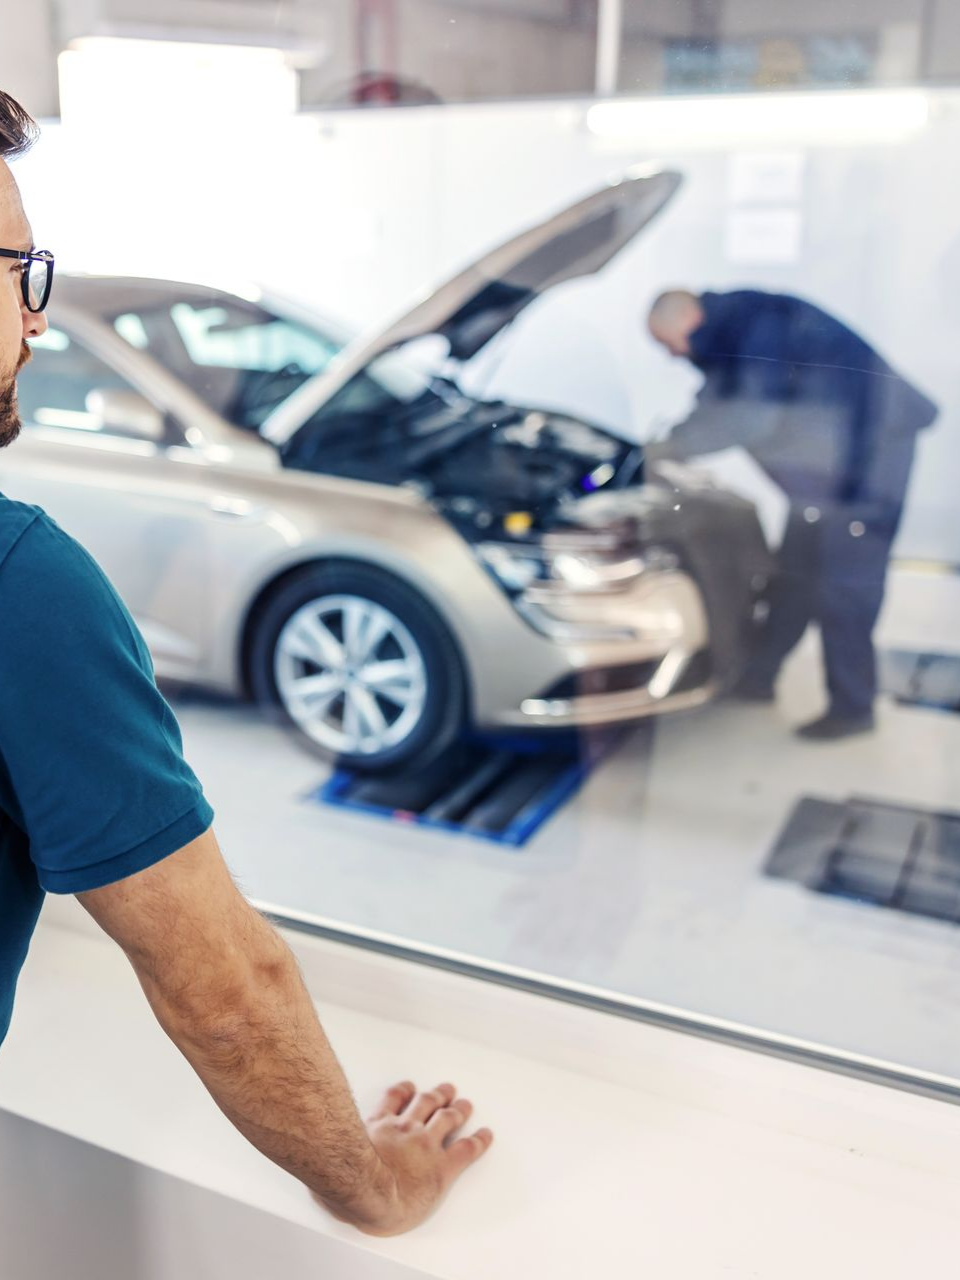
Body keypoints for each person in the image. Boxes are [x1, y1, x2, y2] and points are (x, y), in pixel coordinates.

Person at [0, 91, 491, 1236]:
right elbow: (220, 988)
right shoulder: (20, 584)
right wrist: (378, 1187)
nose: (34, 324)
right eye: (19, 272)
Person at [645, 288, 937, 741]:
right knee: (796, 572)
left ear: (687, 320)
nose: (672, 356)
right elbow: (720, 402)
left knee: (844, 585)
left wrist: (669, 448)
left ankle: (853, 708)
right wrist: (670, 443)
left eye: (668, 344)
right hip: (829, 471)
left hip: (870, 457)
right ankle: (758, 679)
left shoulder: (757, 325)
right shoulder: (736, 330)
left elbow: (749, 416)